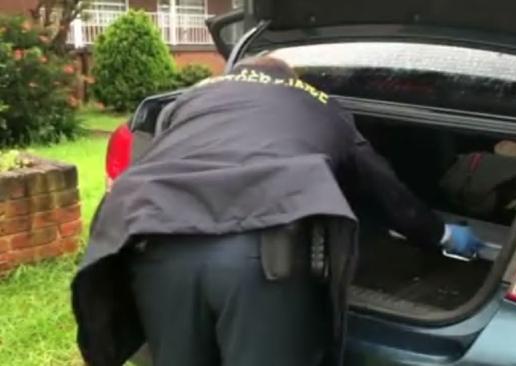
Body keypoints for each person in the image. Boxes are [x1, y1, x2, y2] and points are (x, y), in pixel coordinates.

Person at [71, 56, 483, 366]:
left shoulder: (191, 99)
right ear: (291, 80)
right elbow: (384, 188)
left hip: (155, 246)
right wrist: (441, 235)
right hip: (260, 254)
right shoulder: (320, 105)